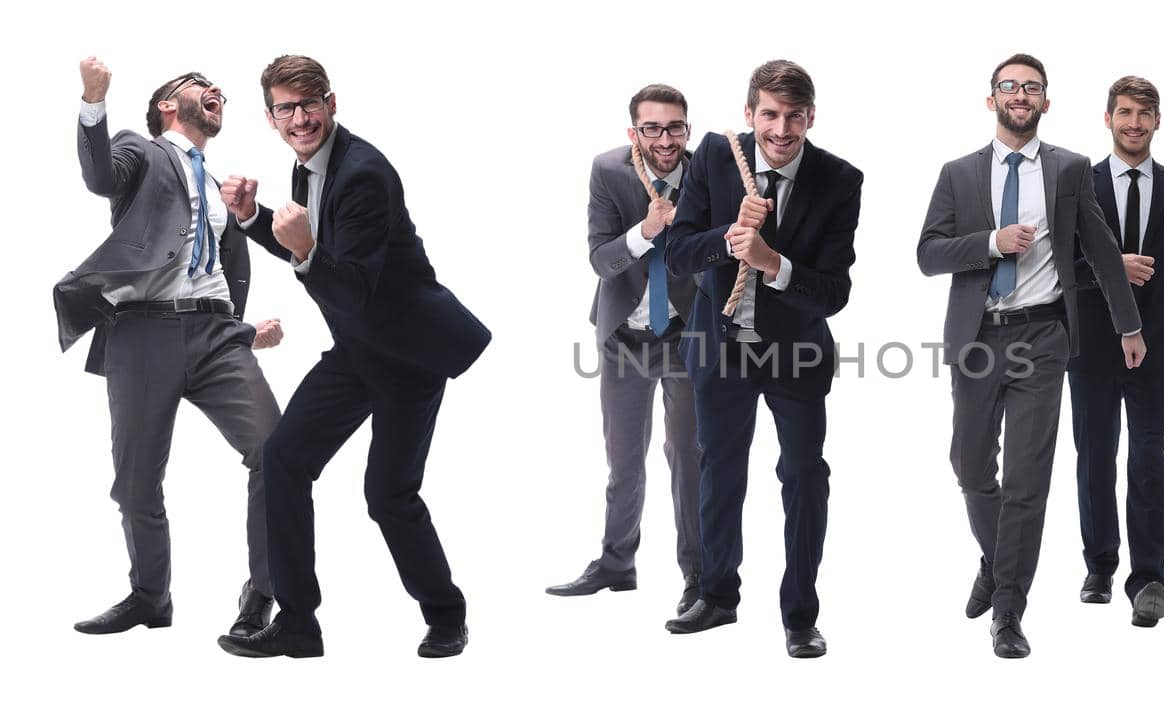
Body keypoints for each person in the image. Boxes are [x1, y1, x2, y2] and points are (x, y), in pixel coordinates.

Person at [215, 55, 491, 659]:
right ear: (270, 118)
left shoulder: (364, 171)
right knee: (284, 459)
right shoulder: (307, 166)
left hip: (407, 352)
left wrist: (305, 245)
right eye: (286, 108)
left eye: (309, 104)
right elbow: (310, 250)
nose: (300, 117)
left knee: (387, 495)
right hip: (357, 349)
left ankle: (447, 614)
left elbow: (350, 285)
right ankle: (297, 625)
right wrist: (251, 219)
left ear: (331, 104)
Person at [917, 53, 1144, 658]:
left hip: (1044, 336)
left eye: (1033, 87)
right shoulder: (958, 173)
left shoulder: (1070, 169)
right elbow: (928, 254)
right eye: (1010, 86)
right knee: (969, 464)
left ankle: (1009, 610)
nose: (1022, 94)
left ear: (1046, 101)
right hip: (976, 338)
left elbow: (1100, 249)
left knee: (1027, 477)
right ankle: (997, 558)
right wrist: (991, 242)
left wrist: (1129, 327)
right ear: (991, 99)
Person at [55, 57, 284, 639]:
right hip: (142, 333)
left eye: (220, 90)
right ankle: (150, 595)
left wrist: (242, 326)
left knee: (278, 452)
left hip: (215, 336)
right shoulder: (144, 151)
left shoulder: (222, 185)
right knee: (135, 480)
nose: (216, 91)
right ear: (166, 105)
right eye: (199, 84)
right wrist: (92, 101)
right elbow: (101, 176)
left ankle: (262, 594)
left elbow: (222, 269)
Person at [659, 60, 861, 659]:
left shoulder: (840, 179)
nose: (780, 129)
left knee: (802, 475)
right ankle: (717, 595)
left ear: (811, 118)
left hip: (795, 349)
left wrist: (775, 264)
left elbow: (835, 291)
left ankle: (801, 615)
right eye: (769, 114)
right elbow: (676, 253)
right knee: (719, 468)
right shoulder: (717, 160)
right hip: (720, 346)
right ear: (750, 114)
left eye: (793, 116)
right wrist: (728, 235)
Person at [1068, 76, 1164, 628]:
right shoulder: (1075, 182)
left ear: (1158, 121)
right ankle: (1099, 566)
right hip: (1090, 345)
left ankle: (1150, 576)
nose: (1134, 123)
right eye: (1125, 112)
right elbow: (1056, 268)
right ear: (1107, 118)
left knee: (1148, 458)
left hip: (1158, 348)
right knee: (1095, 457)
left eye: (1145, 113)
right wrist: (1113, 269)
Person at [547, 84, 702, 615]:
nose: (665, 139)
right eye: (652, 128)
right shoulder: (608, 171)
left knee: (689, 458)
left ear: (688, 128)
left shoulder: (708, 172)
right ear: (633, 132)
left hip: (687, 336)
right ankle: (617, 564)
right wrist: (645, 229)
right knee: (623, 461)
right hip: (625, 338)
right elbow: (600, 259)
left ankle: (698, 578)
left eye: (675, 126)